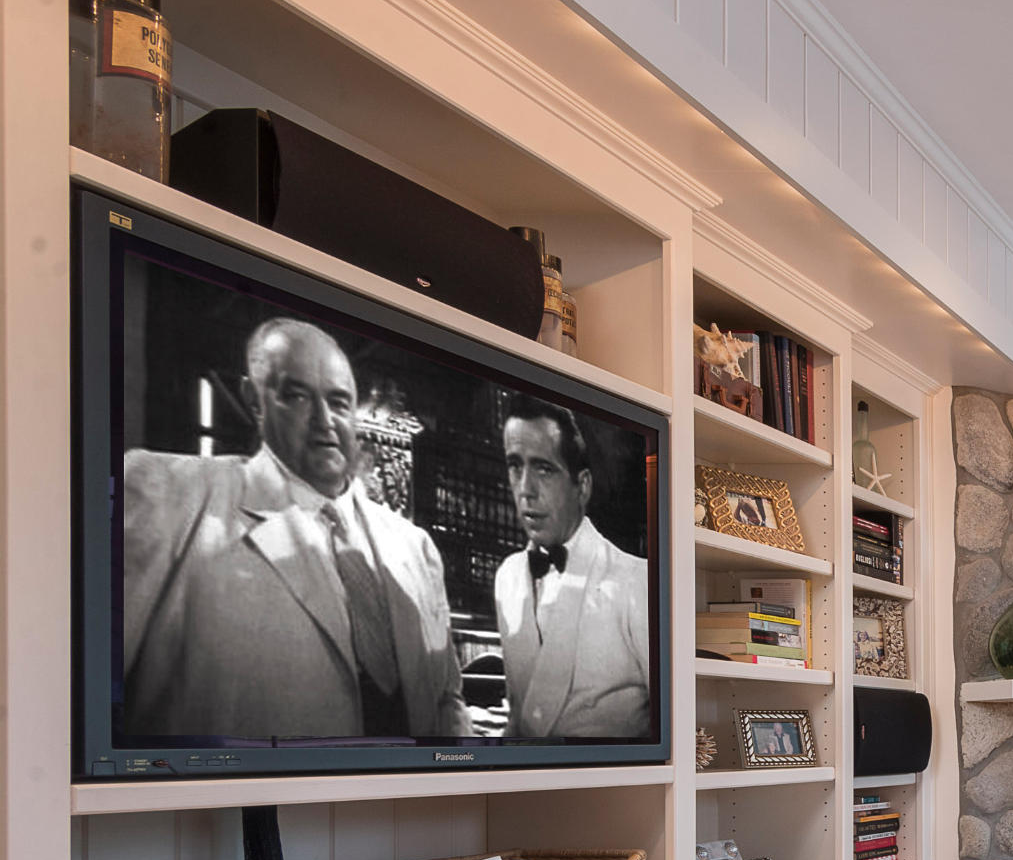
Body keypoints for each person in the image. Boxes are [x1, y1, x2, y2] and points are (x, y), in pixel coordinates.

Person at [118, 317, 465, 740]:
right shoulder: (169, 494)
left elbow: (447, 700)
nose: (324, 421)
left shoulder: (416, 546)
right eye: (297, 396)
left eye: (339, 402)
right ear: (254, 401)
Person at [492, 398, 651, 740]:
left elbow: (677, 727)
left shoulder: (638, 581)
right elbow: (524, 715)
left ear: (582, 487)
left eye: (544, 469)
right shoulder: (507, 576)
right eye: (515, 466)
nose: (525, 490)